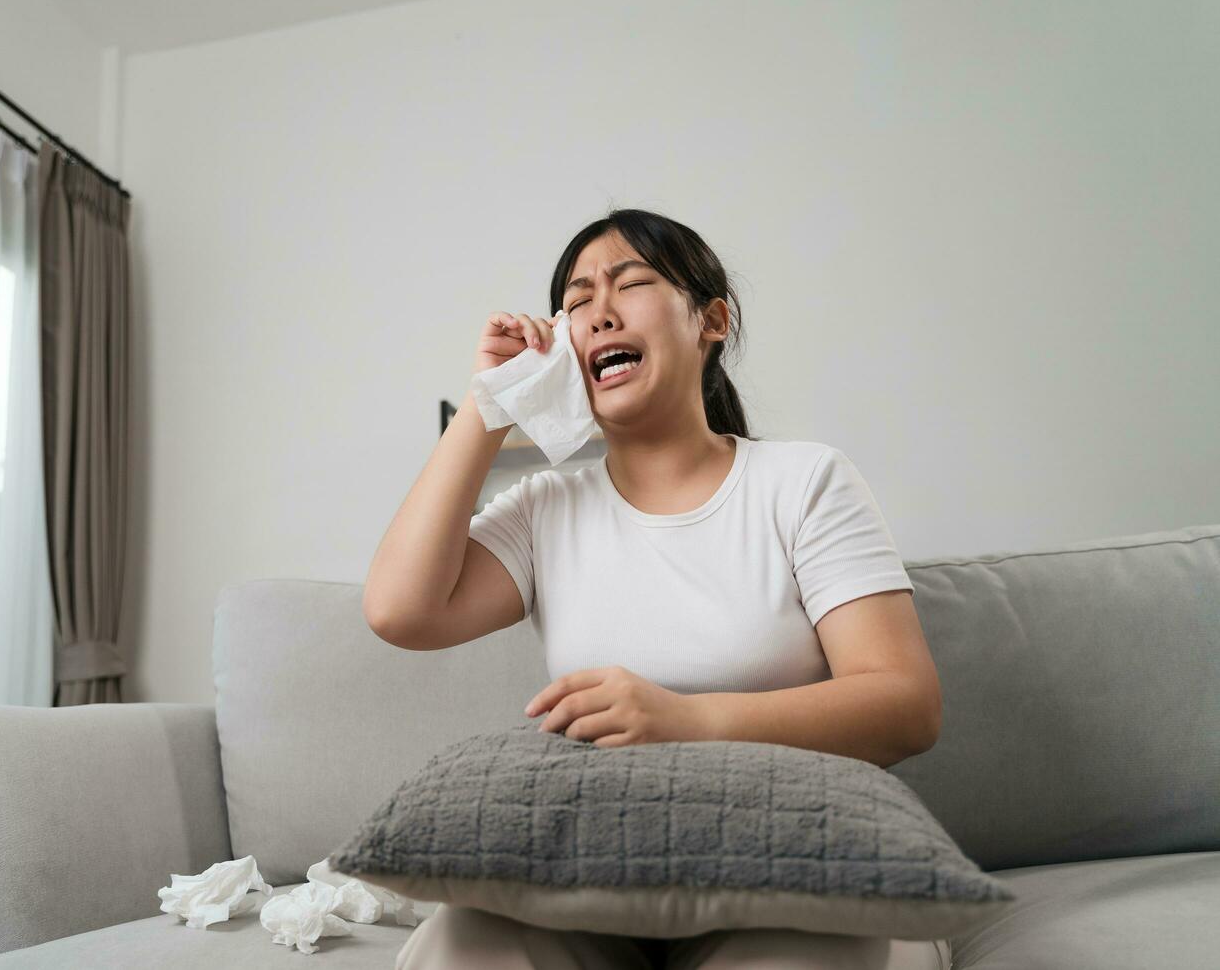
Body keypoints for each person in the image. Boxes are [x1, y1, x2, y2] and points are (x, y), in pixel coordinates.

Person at [363, 208, 950, 970]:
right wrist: (488, 404)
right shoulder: (547, 509)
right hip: (599, 879)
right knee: (463, 946)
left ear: (711, 320)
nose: (598, 310)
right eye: (575, 302)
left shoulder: (804, 481)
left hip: (796, 868)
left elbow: (907, 704)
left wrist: (684, 719)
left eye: (631, 282)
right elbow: (400, 611)